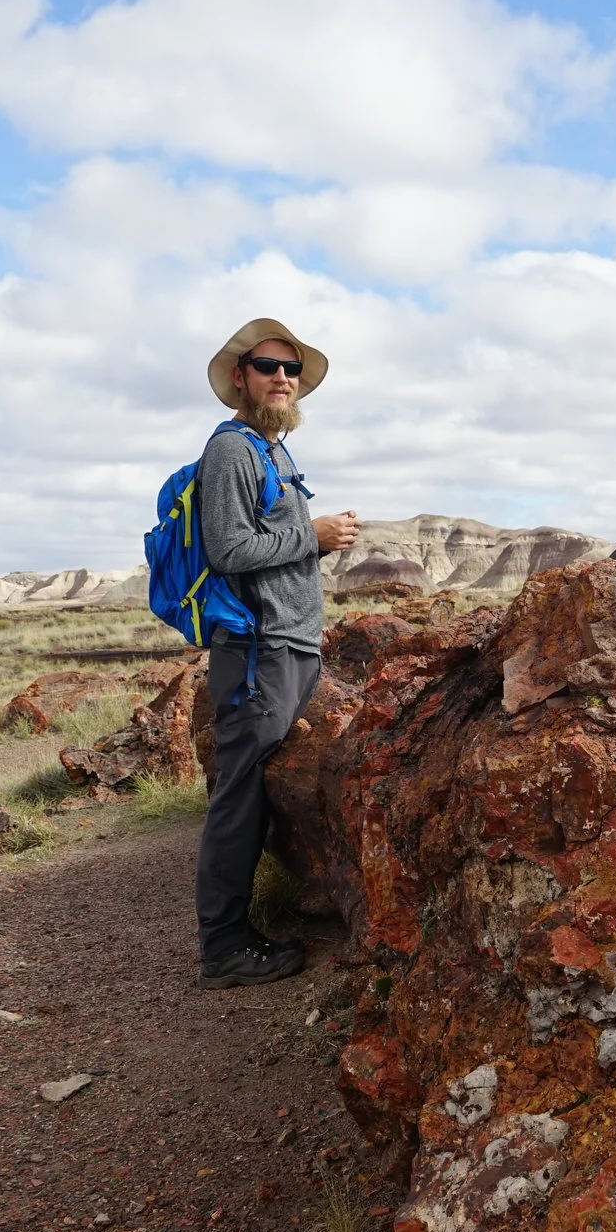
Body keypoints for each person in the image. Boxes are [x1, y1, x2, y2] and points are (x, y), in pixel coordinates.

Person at [192, 318, 360, 988]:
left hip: (288, 645)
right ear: (242, 377)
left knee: (260, 787)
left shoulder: (273, 451)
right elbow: (226, 550)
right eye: (268, 366)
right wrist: (313, 534)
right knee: (240, 793)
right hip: (258, 650)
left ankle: (249, 924)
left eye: (290, 370)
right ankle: (225, 945)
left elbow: (272, 548)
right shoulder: (232, 451)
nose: (282, 378)